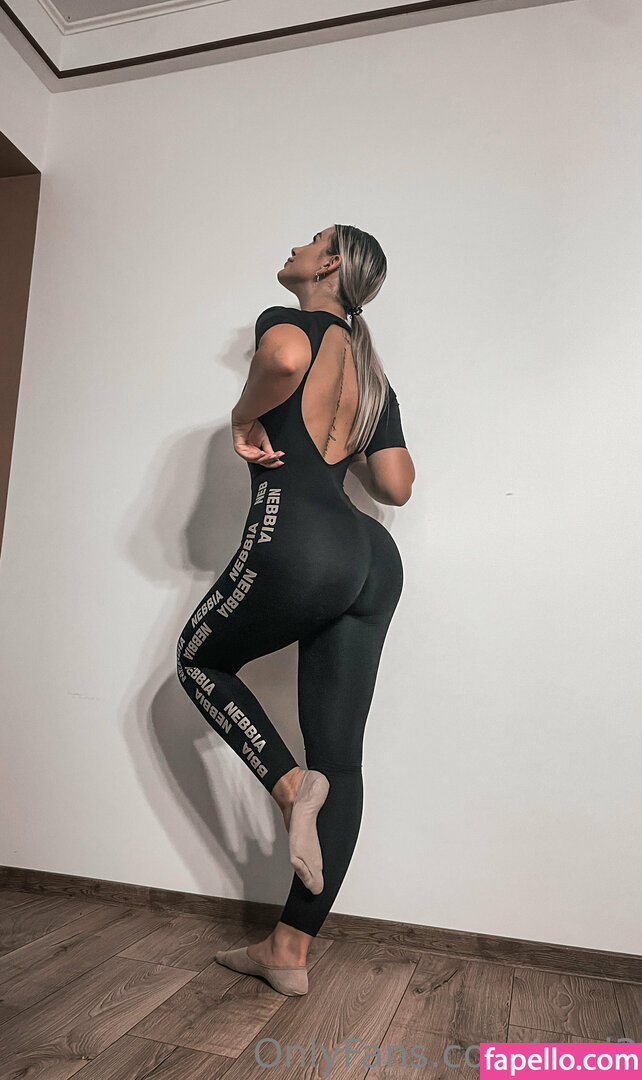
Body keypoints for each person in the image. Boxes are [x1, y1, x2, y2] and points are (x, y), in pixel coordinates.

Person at [176, 223, 415, 995]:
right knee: (340, 760)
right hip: (371, 558)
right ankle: (288, 950)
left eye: (311, 241)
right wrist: (346, 427)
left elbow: (281, 360)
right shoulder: (372, 375)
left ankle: (289, 789)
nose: (295, 248)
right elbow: (396, 485)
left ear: (330, 265)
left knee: (199, 660)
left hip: (302, 539)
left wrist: (245, 418)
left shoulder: (292, 322)